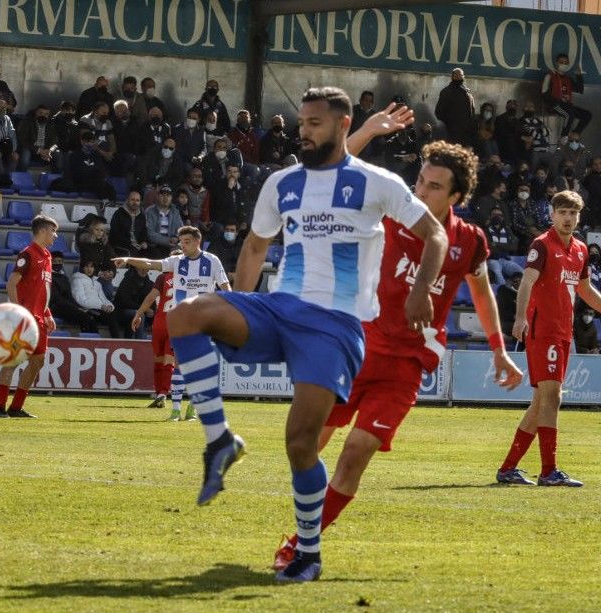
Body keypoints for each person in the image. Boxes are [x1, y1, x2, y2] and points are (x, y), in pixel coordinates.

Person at [163, 87, 448, 582]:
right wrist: (239, 304)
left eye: (315, 123)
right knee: (186, 314)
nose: (304, 131)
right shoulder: (281, 183)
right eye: (302, 123)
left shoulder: (375, 183)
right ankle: (220, 439)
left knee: (300, 442)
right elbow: (254, 247)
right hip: (278, 309)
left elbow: (436, 235)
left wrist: (422, 289)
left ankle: (308, 553)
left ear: (343, 124)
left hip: (334, 326)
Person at [272, 136, 524, 570]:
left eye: (434, 187)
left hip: (405, 366)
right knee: (308, 443)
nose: (421, 192)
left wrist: (500, 351)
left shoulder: (469, 241)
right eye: (420, 181)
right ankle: (307, 517)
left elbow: (482, 295)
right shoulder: (386, 216)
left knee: (355, 453)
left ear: (458, 197)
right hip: (354, 350)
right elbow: (333, 176)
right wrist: (367, 130)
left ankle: (300, 542)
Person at [497, 190, 601, 487]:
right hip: (543, 331)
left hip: (562, 332)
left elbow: (585, 290)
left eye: (573, 213)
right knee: (552, 397)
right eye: (563, 213)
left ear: (578, 217)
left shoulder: (580, 249)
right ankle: (548, 470)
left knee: (541, 400)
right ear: (552, 215)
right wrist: (520, 318)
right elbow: (527, 282)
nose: (568, 218)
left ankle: (508, 469)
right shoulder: (541, 245)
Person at [114, 227, 229, 421]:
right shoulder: (176, 262)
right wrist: (128, 260)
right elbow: (151, 263)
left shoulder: (212, 261)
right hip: (181, 319)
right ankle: (176, 410)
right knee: (177, 364)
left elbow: (225, 286)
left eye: (186, 242)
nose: (182, 245)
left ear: (197, 242)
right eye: (181, 242)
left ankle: (192, 408)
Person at [0, 216, 58, 418]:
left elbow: (42, 290)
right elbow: (11, 284)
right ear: (42, 231)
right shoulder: (28, 254)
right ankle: (0, 408)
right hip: (24, 319)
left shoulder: (47, 256)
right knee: (13, 361)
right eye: (53, 231)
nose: (55, 235)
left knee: (37, 362)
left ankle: (16, 407)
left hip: (39, 320)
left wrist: (47, 313)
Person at [131, 252, 177, 407]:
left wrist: (138, 313)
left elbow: (151, 297)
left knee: (158, 360)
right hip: (176, 323)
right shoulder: (188, 279)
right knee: (169, 361)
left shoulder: (162, 278)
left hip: (160, 322)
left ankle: (159, 395)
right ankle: (164, 393)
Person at [542, 52, 591, 138]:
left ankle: (575, 133)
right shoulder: (550, 76)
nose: (564, 64)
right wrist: (558, 100)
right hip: (555, 105)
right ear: (556, 63)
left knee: (587, 115)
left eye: (566, 63)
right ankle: (563, 136)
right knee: (569, 114)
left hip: (568, 106)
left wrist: (579, 76)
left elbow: (580, 90)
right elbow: (544, 94)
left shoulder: (568, 79)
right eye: (561, 62)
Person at [71, 258, 124, 338]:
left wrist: (110, 306)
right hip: (87, 309)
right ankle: (116, 341)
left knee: (115, 314)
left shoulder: (97, 283)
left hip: (100, 309)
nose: (89, 269)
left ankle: (120, 341)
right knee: (111, 317)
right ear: (82, 268)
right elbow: (80, 300)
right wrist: (101, 306)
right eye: (87, 267)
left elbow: (103, 298)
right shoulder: (77, 280)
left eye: (92, 267)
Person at [434, 67, 477, 149]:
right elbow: (439, 112)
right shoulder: (447, 92)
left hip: (467, 133)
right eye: (456, 75)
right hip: (453, 133)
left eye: (461, 75)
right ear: (452, 77)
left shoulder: (467, 92)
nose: (459, 77)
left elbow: (472, 112)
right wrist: (451, 123)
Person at [143, 185, 184, 257]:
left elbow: (181, 229)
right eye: (163, 195)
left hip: (172, 245)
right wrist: (168, 241)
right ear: (158, 196)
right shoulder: (149, 211)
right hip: (154, 245)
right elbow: (149, 233)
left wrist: (177, 238)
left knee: (180, 254)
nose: (165, 198)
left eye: (168, 196)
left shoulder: (175, 211)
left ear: (171, 198)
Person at [16, 104, 60, 171]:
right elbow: (22, 140)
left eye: (46, 114)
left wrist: (50, 151)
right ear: (35, 113)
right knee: (25, 155)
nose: (43, 116)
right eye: (40, 113)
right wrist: (39, 151)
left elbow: (55, 142)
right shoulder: (27, 122)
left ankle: (57, 179)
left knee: (57, 154)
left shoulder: (51, 124)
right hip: (31, 150)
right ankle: (21, 177)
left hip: (46, 151)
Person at [109, 190, 148, 257]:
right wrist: (131, 243)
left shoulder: (141, 216)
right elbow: (114, 234)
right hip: (123, 245)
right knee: (135, 253)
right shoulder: (119, 213)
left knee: (153, 253)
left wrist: (143, 242)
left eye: (137, 200)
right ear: (127, 200)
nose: (135, 202)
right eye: (132, 200)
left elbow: (143, 232)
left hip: (137, 245)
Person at [494, 99, 525, 167]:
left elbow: (519, 132)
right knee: (510, 140)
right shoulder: (500, 118)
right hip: (503, 142)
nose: (512, 107)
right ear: (506, 107)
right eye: (510, 105)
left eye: (514, 106)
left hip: (515, 142)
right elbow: (501, 132)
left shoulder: (517, 121)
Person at [497, 271, 522, 347]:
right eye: (515, 281)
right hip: (506, 322)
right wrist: (514, 317)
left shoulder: (530, 292)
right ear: (511, 283)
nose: (518, 283)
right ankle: (519, 351)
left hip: (523, 321)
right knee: (519, 328)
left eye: (520, 281)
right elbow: (501, 312)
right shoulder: (504, 292)